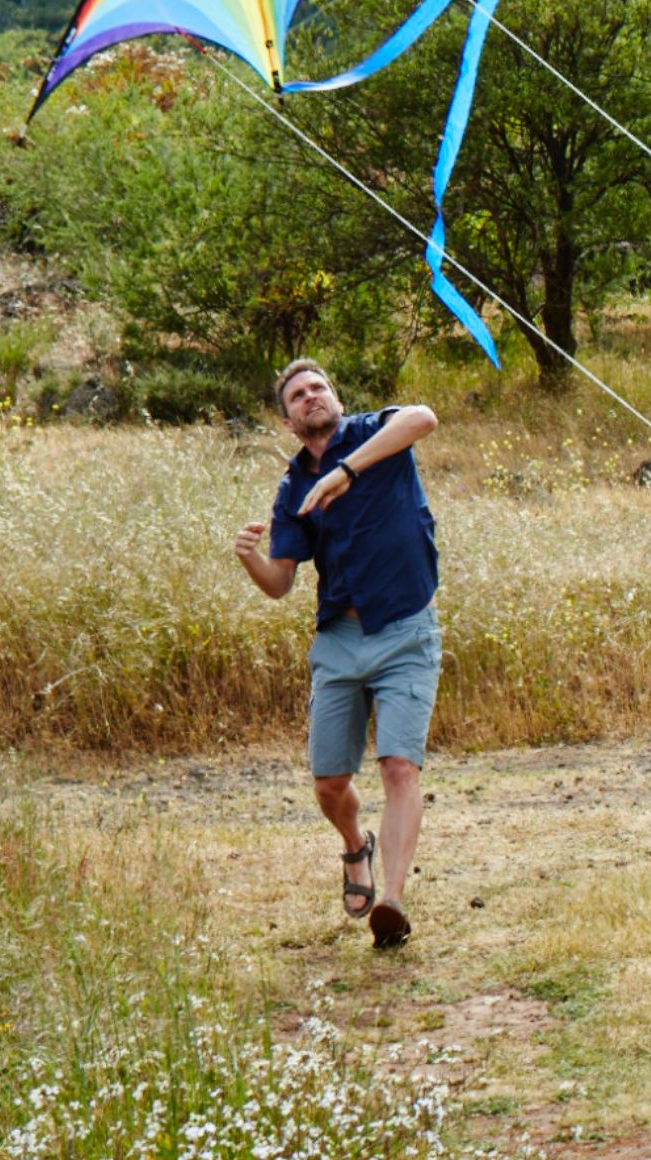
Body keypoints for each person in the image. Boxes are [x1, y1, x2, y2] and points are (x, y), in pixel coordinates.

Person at [230, 358, 446, 951]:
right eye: (298, 395)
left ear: (337, 398)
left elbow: (424, 417)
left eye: (320, 387)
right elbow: (280, 583)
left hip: (406, 628)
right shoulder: (293, 486)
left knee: (399, 766)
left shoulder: (379, 434)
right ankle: (357, 847)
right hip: (340, 640)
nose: (311, 397)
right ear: (288, 421)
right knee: (329, 784)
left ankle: (393, 904)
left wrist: (348, 470)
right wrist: (250, 555)